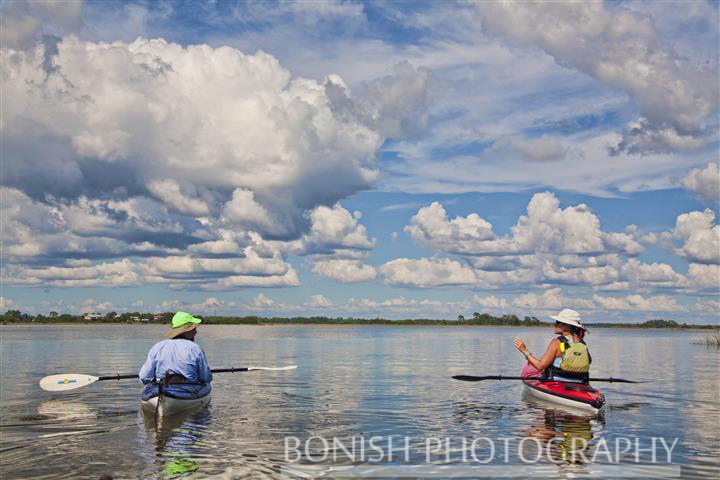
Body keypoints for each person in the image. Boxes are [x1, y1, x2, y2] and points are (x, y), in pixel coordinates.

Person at [139, 311, 212, 401]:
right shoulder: (195, 348)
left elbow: (144, 377)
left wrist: (154, 379)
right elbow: (205, 378)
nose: (195, 332)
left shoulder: (157, 347)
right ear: (186, 330)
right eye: (194, 329)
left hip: (160, 388)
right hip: (188, 388)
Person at [513, 308, 591, 383]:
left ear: (566, 326)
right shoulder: (581, 342)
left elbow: (540, 366)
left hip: (557, 382)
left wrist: (524, 350)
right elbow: (588, 361)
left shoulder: (556, 342)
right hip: (580, 382)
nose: (554, 325)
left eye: (557, 322)